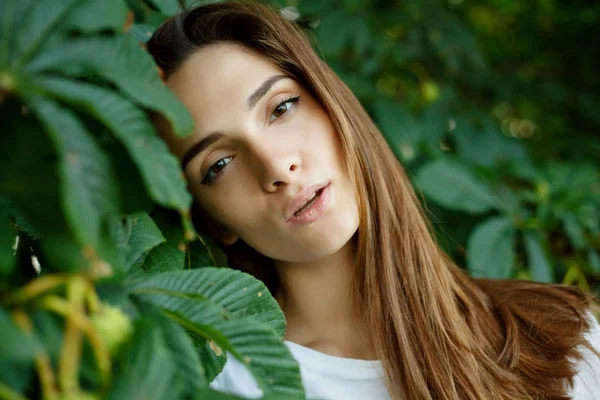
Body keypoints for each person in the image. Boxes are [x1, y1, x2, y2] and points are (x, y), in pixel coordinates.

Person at [146, 1, 600, 399]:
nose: (276, 167)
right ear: (212, 219)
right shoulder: (226, 385)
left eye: (281, 108)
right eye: (218, 165)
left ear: (334, 106)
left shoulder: (567, 338)